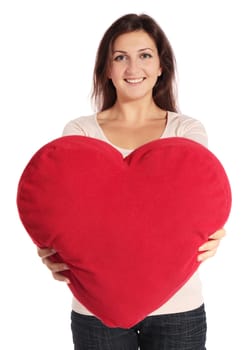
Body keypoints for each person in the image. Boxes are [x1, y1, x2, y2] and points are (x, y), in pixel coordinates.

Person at [38, 13, 226, 350]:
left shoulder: (186, 132)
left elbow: (191, 207)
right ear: (107, 70)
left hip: (178, 307)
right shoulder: (80, 133)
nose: (132, 68)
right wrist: (52, 243)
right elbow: (72, 214)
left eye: (144, 55)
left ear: (160, 67)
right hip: (96, 309)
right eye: (120, 57)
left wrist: (213, 229)